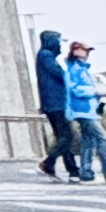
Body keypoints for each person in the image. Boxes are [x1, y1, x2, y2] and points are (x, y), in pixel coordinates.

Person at [67, 42, 106, 185]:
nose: (87, 53)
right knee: (103, 139)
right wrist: (96, 92)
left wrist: (101, 95)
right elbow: (75, 89)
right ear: (75, 51)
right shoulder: (75, 69)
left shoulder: (83, 69)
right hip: (83, 111)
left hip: (88, 110)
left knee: (89, 141)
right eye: (84, 50)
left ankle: (86, 173)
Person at [38, 29, 82, 180]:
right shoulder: (45, 55)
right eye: (58, 41)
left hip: (55, 103)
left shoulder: (46, 55)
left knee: (63, 138)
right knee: (67, 136)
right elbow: (58, 73)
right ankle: (48, 162)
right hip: (55, 104)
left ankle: (72, 170)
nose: (60, 45)